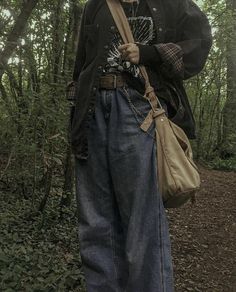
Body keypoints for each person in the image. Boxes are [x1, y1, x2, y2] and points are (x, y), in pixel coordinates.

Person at [66, 0, 212, 291]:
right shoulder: (95, 5)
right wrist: (76, 112)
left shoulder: (172, 3)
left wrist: (150, 53)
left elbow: (199, 44)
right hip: (92, 109)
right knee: (95, 223)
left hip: (138, 108)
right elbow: (81, 64)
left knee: (141, 222)